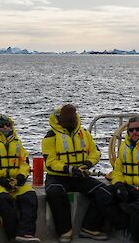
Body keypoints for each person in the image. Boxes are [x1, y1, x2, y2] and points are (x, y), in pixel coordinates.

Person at [42, 104, 108, 243]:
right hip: (58, 177)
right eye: (65, 118)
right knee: (55, 192)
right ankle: (65, 231)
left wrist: (87, 164)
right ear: (58, 119)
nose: (70, 120)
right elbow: (50, 161)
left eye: (71, 117)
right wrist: (69, 169)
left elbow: (95, 152)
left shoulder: (84, 133)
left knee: (105, 191)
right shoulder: (50, 136)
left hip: (81, 175)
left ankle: (89, 228)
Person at [0, 114, 40, 243]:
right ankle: (12, 237)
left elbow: (24, 162)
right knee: (3, 200)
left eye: (8, 125)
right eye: (1, 126)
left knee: (29, 196)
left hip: (15, 181)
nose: (5, 127)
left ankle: (26, 233)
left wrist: (20, 178)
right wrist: (2, 181)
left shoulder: (16, 141)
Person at [96, 116, 139, 243]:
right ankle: (125, 226)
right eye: (131, 130)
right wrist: (119, 185)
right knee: (102, 194)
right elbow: (117, 170)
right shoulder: (123, 147)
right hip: (127, 186)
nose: (135, 132)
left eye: (138, 129)